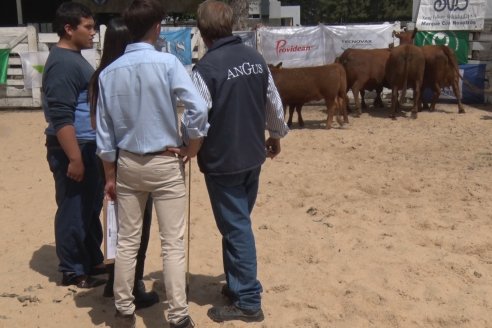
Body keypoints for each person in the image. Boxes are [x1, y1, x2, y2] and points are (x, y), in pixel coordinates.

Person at [95, 1, 208, 327]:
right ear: (157, 27)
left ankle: (124, 306)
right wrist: (193, 146)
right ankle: (178, 315)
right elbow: (198, 109)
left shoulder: (109, 73)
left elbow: (104, 136)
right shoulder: (168, 63)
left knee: (128, 240)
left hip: (128, 162)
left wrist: (109, 175)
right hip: (165, 160)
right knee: (172, 243)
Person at [191, 0, 289, 323]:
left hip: (223, 162)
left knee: (236, 228)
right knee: (237, 223)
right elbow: (273, 101)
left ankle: (247, 299)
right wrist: (275, 135)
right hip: (252, 156)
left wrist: (190, 147)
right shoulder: (256, 59)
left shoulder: (206, 69)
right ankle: (237, 286)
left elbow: (195, 118)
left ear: (203, 32)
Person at [88, 17, 159, 310]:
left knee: (117, 224)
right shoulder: (128, 75)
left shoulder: (101, 77)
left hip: (106, 156)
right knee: (137, 229)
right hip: (127, 157)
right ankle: (132, 284)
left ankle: (115, 280)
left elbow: (96, 124)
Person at [42, 2, 106, 289]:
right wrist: (75, 158)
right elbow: (60, 114)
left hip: (86, 144)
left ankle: (91, 260)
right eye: (88, 27)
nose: (93, 33)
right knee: (73, 208)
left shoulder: (75, 58)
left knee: (89, 207)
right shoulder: (63, 63)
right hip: (73, 146)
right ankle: (72, 269)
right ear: (69, 29)